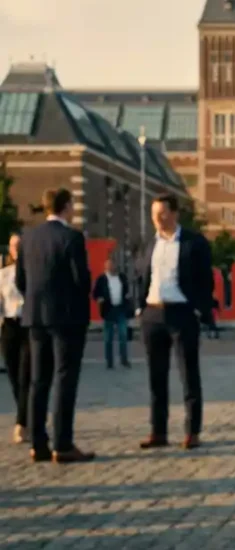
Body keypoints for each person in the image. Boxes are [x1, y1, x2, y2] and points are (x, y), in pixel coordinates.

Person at [16, 188, 93, 463]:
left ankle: (38, 443)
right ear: (66, 207)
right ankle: (62, 443)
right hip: (67, 319)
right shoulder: (72, 237)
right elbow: (81, 280)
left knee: (39, 380)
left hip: (35, 318)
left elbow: (20, 281)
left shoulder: (28, 237)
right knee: (64, 378)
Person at [136, 193, 214, 451]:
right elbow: (141, 275)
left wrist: (200, 311)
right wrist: (140, 307)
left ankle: (193, 431)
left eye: (162, 213)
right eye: (154, 213)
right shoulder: (150, 244)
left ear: (174, 213)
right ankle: (158, 431)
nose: (157, 218)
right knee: (156, 377)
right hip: (153, 315)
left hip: (182, 314)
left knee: (188, 374)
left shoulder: (193, 242)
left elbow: (205, 280)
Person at [0, 233, 30, 444]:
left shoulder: (32, 273)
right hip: (9, 326)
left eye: (20, 245)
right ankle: (27, 414)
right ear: (9, 250)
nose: (16, 248)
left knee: (25, 375)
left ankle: (21, 423)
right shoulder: (3, 275)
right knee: (13, 375)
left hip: (27, 326)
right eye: (13, 246)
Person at [92, 257, 131, 370]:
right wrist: (99, 299)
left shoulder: (121, 277)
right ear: (105, 267)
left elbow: (126, 290)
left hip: (120, 309)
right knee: (108, 338)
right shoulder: (101, 279)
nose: (111, 267)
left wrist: (127, 298)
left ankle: (124, 360)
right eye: (109, 266)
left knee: (123, 336)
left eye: (113, 265)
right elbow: (95, 294)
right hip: (108, 310)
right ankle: (109, 361)